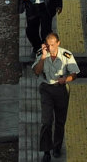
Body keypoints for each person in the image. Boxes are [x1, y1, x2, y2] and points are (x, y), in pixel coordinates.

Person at [33, 32, 79, 162]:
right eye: (48, 45)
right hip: (46, 88)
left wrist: (66, 79)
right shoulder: (41, 53)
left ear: (58, 43)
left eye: (52, 45)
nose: (50, 48)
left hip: (61, 89)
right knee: (46, 121)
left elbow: (74, 73)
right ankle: (46, 151)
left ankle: (57, 147)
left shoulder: (66, 55)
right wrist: (43, 57)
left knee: (60, 121)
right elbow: (36, 71)